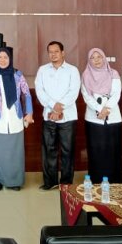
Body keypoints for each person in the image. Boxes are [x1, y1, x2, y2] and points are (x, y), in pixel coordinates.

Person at [0, 47, 33, 190]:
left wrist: (29, 113)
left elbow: (27, 94)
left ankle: (14, 181)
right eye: (0, 57)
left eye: (6, 57)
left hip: (15, 117)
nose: (3, 60)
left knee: (15, 151)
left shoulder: (17, 74)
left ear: (10, 59)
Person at [36, 41, 81, 189]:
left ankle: (66, 183)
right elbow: (40, 90)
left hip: (68, 116)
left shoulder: (72, 70)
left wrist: (59, 107)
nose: (53, 54)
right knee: (49, 150)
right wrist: (53, 105)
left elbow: (73, 91)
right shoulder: (42, 70)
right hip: (48, 116)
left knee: (68, 150)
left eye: (56, 51)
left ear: (63, 53)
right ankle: (50, 182)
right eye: (50, 52)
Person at [80, 47, 122, 183]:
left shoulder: (113, 73)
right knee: (96, 151)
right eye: (92, 58)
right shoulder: (86, 75)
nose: (96, 60)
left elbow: (116, 93)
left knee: (113, 150)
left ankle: (115, 181)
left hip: (113, 118)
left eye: (99, 57)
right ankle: (97, 180)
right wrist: (100, 109)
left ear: (104, 58)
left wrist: (106, 109)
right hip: (94, 119)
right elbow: (86, 96)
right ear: (89, 60)